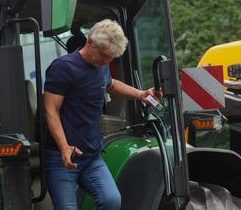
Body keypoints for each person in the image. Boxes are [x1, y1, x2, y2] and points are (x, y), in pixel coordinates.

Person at [43, 19, 158, 210]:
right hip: (62, 156)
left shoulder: (101, 65)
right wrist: (64, 147)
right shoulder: (63, 67)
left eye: (110, 58)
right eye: (103, 55)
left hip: (91, 155)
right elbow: (50, 110)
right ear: (89, 42)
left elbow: (111, 84)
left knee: (111, 201)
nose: (106, 61)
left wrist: (140, 94)